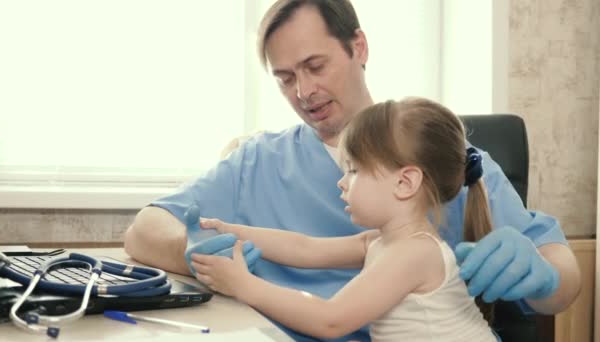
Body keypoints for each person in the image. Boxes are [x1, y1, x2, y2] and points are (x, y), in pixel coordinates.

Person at [124, 1, 580, 341]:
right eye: (284, 78)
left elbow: (561, 279)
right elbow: (145, 230)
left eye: (314, 65)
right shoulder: (258, 160)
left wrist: (546, 274)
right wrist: (199, 245)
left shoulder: (444, 158)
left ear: (358, 47)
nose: (302, 90)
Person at [190, 97, 499, 341]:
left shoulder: (415, 252)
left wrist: (244, 286)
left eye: (353, 170)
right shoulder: (382, 242)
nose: (342, 181)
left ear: (405, 183)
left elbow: (331, 320)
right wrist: (231, 230)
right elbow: (305, 248)